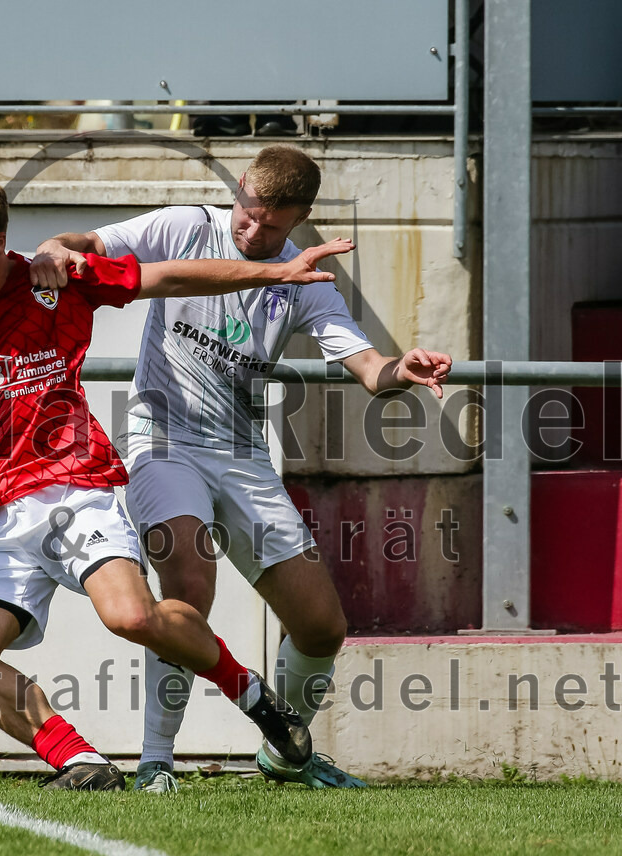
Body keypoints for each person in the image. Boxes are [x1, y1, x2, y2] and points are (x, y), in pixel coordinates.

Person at [0, 160, 357, 790]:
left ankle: (252, 698)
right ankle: (80, 759)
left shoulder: (54, 281)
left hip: (75, 491)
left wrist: (275, 273)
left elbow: (166, 278)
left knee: (133, 618)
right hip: (0, 515)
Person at [30, 145, 452, 792]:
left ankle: (287, 756)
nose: (251, 231)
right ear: (240, 190)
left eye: (271, 225)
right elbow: (81, 239)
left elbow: (371, 371)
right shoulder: (182, 226)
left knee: (321, 626)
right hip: (161, 441)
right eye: (247, 213)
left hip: (242, 456)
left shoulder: (305, 278)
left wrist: (404, 370)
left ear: (299, 220)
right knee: (189, 589)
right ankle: (155, 764)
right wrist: (55, 250)